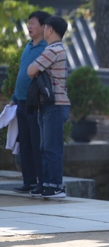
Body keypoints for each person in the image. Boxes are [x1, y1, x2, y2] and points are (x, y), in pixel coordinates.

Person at [27, 16, 71, 198]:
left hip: (54, 105)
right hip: (50, 104)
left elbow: (31, 70)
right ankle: (47, 184)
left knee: (51, 147)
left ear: (50, 30)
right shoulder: (57, 49)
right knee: (45, 146)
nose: (43, 30)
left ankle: (55, 186)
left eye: (45, 27)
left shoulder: (53, 50)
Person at [10, 11, 50, 195]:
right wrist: (13, 98)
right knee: (24, 141)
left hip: (35, 102)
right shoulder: (27, 46)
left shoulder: (46, 48)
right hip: (20, 100)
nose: (29, 26)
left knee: (36, 142)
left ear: (43, 26)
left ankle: (41, 182)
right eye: (28, 23)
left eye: (33, 23)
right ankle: (28, 181)